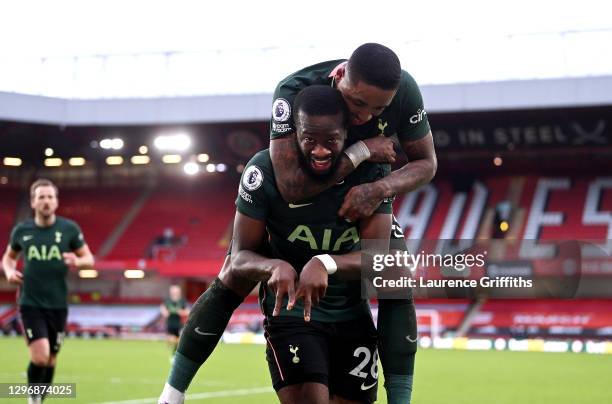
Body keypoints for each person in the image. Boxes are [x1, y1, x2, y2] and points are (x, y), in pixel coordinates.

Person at [159, 43, 435, 404]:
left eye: (378, 109)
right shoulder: (292, 93)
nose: (365, 117)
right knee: (236, 268)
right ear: (338, 78)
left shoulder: (404, 92)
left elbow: (426, 164)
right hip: (305, 195)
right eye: (356, 104)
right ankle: (172, 394)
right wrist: (360, 151)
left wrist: (379, 188)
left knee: (393, 273)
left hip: (366, 187)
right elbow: (291, 185)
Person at [2, 179, 94, 404]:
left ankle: (39, 400)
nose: (46, 201)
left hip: (58, 304)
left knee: (51, 359)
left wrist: (77, 260)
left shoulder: (69, 229)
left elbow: (89, 259)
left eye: (50, 197)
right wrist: (9, 271)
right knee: (41, 356)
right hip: (30, 302)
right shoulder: (22, 231)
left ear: (56, 201)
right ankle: (32, 401)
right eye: (41, 197)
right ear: (33, 202)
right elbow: (8, 258)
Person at [160, 285, 189, 357]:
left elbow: (188, 311)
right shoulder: (167, 301)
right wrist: (164, 312)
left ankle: (175, 354)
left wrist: (181, 312)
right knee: (172, 339)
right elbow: (162, 308)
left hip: (179, 324)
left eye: (176, 292)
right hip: (170, 324)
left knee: (179, 340)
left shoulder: (182, 301)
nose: (175, 293)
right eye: (173, 292)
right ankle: (174, 350)